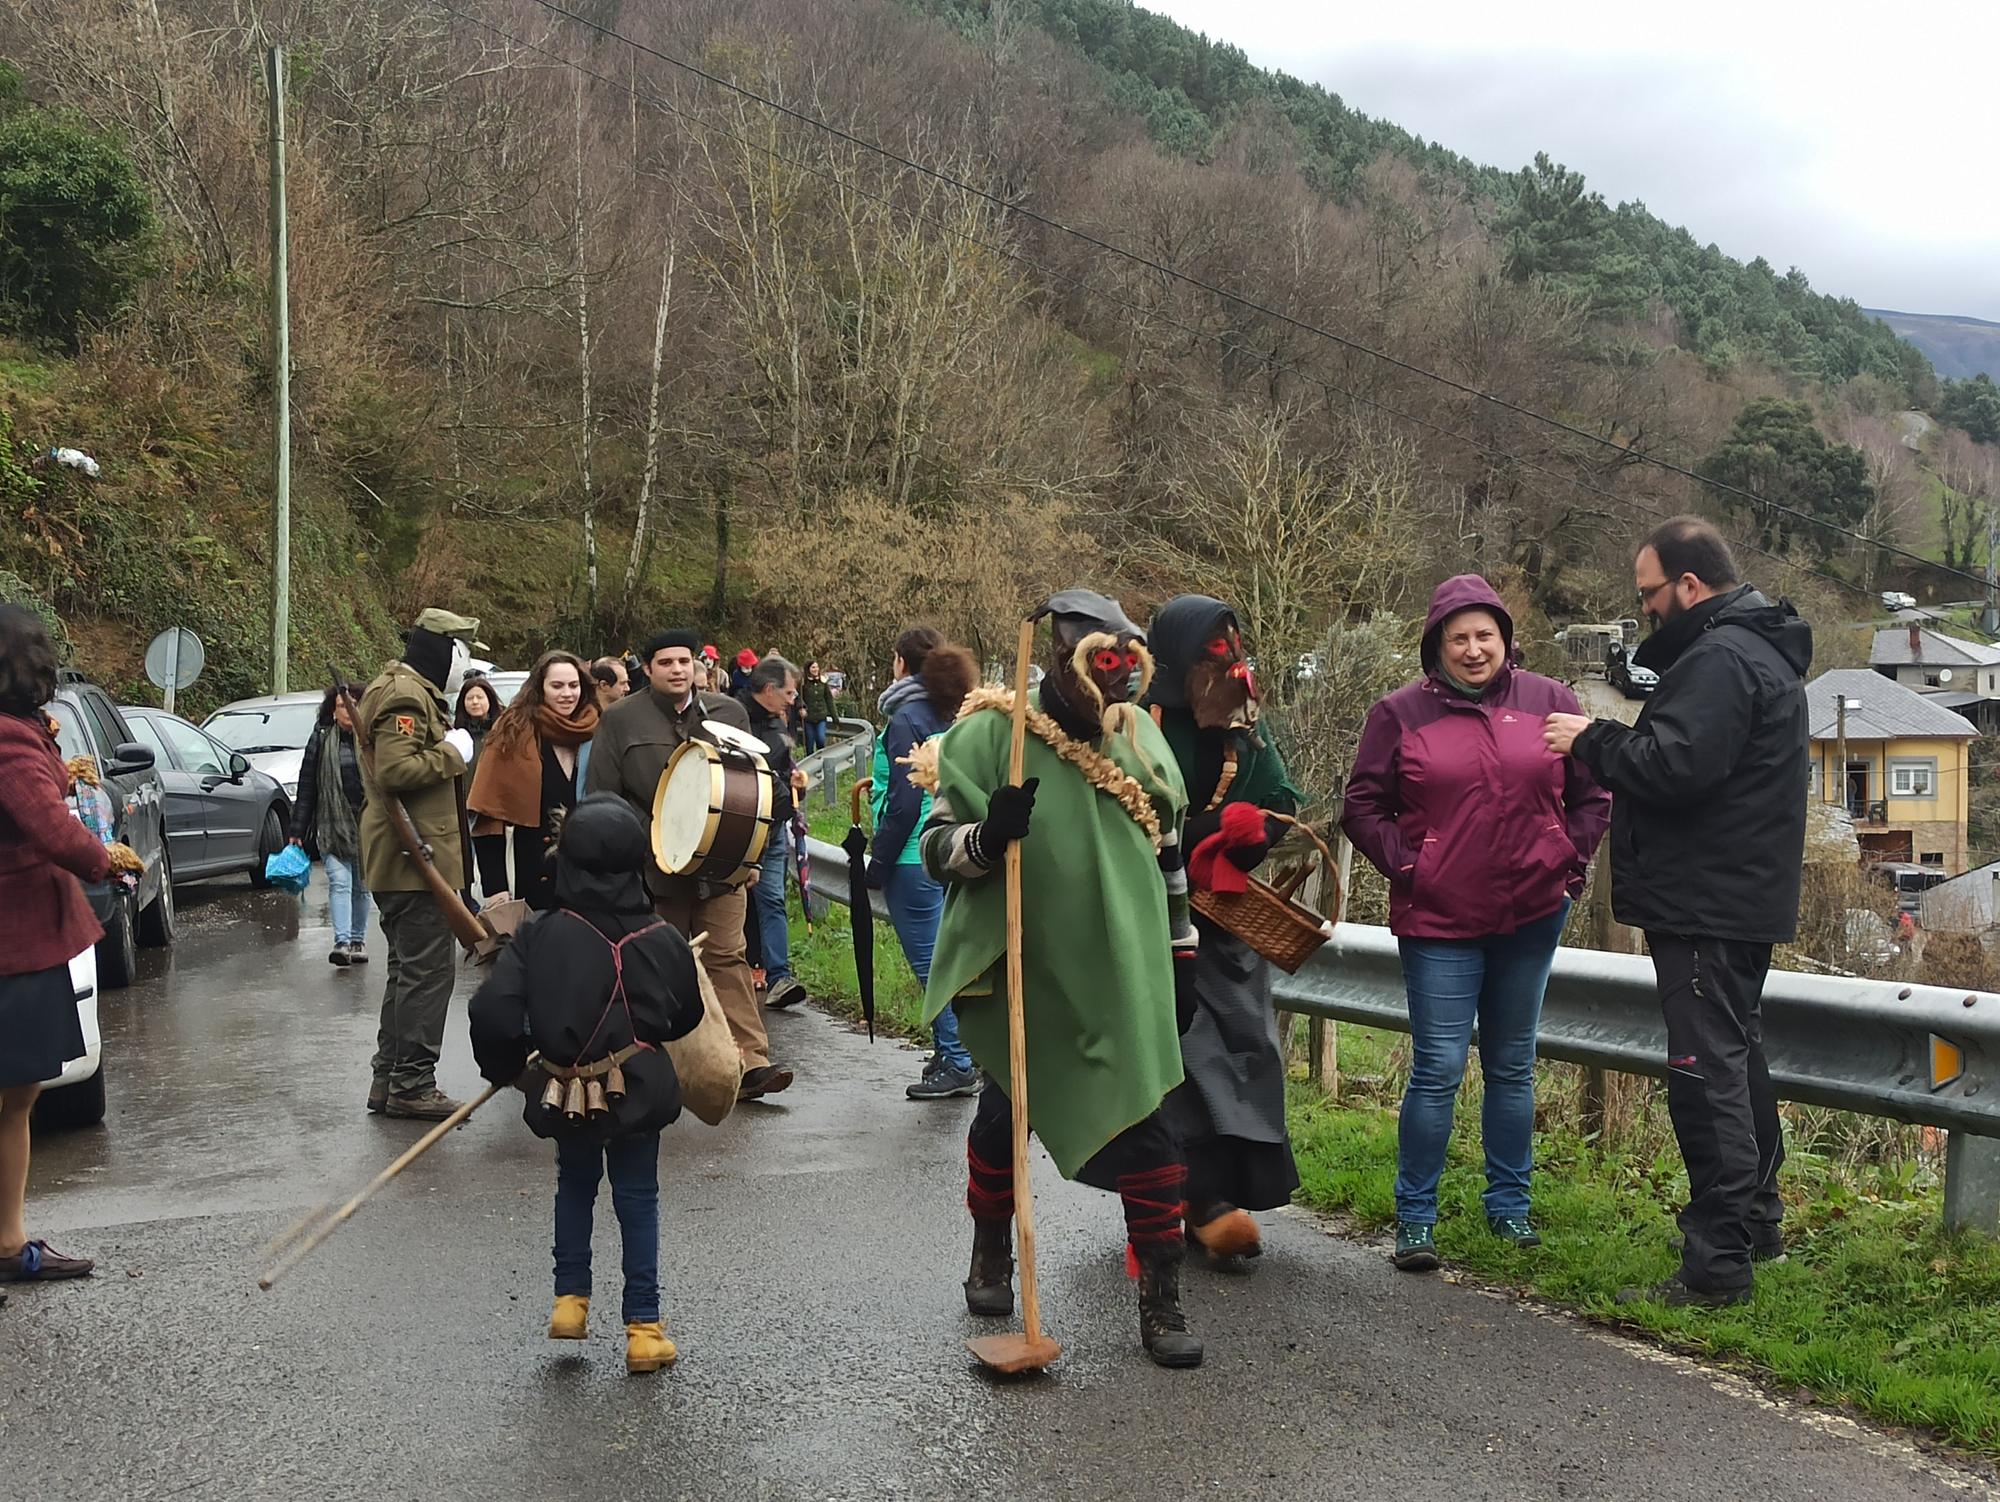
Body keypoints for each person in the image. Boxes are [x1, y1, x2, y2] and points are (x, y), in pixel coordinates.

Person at [913, 589, 1203, 1368]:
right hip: (1027, 968)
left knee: (1150, 1124)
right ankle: (989, 1253)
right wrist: (988, 834)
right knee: (1005, 1112)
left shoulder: (1141, 737)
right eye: (1101, 664)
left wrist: (1181, 956)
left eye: (1127, 670)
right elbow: (935, 849)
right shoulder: (987, 737)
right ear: (1062, 658)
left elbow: (1170, 855)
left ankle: (1162, 1298)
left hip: (1123, 972)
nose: (1115, 687)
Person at [1544, 517, 1811, 1308]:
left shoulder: (1722, 659)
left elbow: (1674, 768)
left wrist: (1589, 740)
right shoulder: (1753, 649)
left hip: (1705, 902)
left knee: (1707, 1075)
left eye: (1649, 596)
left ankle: (1717, 1264)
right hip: (1738, 896)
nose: (1646, 612)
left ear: (1689, 586)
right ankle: (1755, 1224)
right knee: (1736, 1058)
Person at [1343, 575, 1610, 1273]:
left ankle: (1510, 1208)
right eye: (1458, 637)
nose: (1472, 649)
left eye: (1484, 635)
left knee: (1513, 1066)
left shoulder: (1551, 701)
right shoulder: (1398, 713)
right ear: (1436, 644)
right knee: (1436, 1069)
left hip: (1532, 911)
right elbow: (1363, 805)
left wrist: (1568, 860)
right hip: (1439, 917)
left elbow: (1593, 792)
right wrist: (1413, 868)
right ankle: (1416, 1220)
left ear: (1505, 639)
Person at [469, 794, 705, 1374]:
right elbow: (687, 1017)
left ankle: (570, 1305)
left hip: (564, 1088)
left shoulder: (538, 934)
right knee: (637, 1197)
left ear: (565, 860)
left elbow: (494, 1012)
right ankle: (644, 1331)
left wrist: (508, 1069)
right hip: (638, 1087)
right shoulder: (663, 936)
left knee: (574, 1184)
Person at [1143, 595, 1306, 1265]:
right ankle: (1198, 1199)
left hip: (1224, 916)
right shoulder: (1136, 724)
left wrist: (1256, 833)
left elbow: (1283, 799)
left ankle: (1221, 1189)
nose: (1230, 661)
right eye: (1214, 649)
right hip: (1150, 915)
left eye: (1234, 646)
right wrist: (1199, 832)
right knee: (1179, 1053)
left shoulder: (1244, 722)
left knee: (1246, 1043)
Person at [0, 604, 143, 1284]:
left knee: (20, 1096)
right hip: (14, 941)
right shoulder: (8, 739)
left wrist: (64, 766)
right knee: (15, 1095)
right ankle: (6, 1245)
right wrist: (107, 857)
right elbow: (49, 829)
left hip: (20, 938)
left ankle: (9, 1241)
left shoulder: (22, 735)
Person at [588, 630, 792, 1100]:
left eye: (685, 661)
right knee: (659, 966)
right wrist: (650, 845)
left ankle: (748, 1064)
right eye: (666, 663)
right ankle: (654, 1065)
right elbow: (602, 797)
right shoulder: (620, 720)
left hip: (721, 871)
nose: (678, 670)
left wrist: (752, 855)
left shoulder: (727, 713)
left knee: (727, 957)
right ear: (649, 669)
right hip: (653, 871)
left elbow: (754, 792)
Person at [358, 607, 483, 1121]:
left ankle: (390, 1078)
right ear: (444, 651)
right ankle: (412, 1083)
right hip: (413, 863)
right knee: (427, 976)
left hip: (408, 860)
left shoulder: (403, 688)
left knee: (406, 974)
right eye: (463, 653)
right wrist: (454, 753)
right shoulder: (407, 696)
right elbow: (395, 771)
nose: (467, 665)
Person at [865, 627, 981, 1100]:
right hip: (949, 848)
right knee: (951, 959)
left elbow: (904, 802)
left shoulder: (905, 719)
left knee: (931, 966)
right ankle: (952, 1052)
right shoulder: (955, 713)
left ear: (899, 663)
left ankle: (958, 1061)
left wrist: (880, 862)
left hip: (913, 857)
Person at [468, 651, 599, 913]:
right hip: (534, 866)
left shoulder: (598, 728)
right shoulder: (513, 730)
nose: (567, 694)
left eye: (573, 686)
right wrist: (496, 888)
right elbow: (489, 818)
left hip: (591, 870)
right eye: (557, 686)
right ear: (540, 688)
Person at [740, 655, 813, 1011]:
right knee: (732, 907)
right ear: (768, 690)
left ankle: (779, 976)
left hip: (772, 828)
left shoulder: (778, 723)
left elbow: (782, 773)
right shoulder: (730, 718)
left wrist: (797, 785)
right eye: (788, 691)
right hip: (736, 832)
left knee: (771, 901)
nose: (793, 699)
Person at [290, 684, 372, 966]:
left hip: (366, 823)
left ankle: (359, 940)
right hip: (330, 822)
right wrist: (297, 830)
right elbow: (307, 785)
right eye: (341, 706)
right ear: (332, 711)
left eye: (354, 705)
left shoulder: (370, 739)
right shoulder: (321, 738)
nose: (348, 711)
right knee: (339, 882)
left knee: (362, 886)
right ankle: (342, 941)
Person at [453, 677, 498, 770]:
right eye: (469, 698)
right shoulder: (456, 736)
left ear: (489, 699)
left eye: (480, 697)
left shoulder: (501, 731)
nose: (475, 702)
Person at [801, 661, 834, 754]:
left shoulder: (823, 683)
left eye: (817, 667)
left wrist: (835, 717)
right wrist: (801, 708)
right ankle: (810, 765)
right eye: (813, 667)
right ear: (808, 669)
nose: (815, 669)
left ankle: (821, 760)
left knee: (820, 739)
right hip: (808, 718)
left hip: (821, 717)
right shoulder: (803, 684)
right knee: (810, 742)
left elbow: (829, 700)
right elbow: (799, 698)